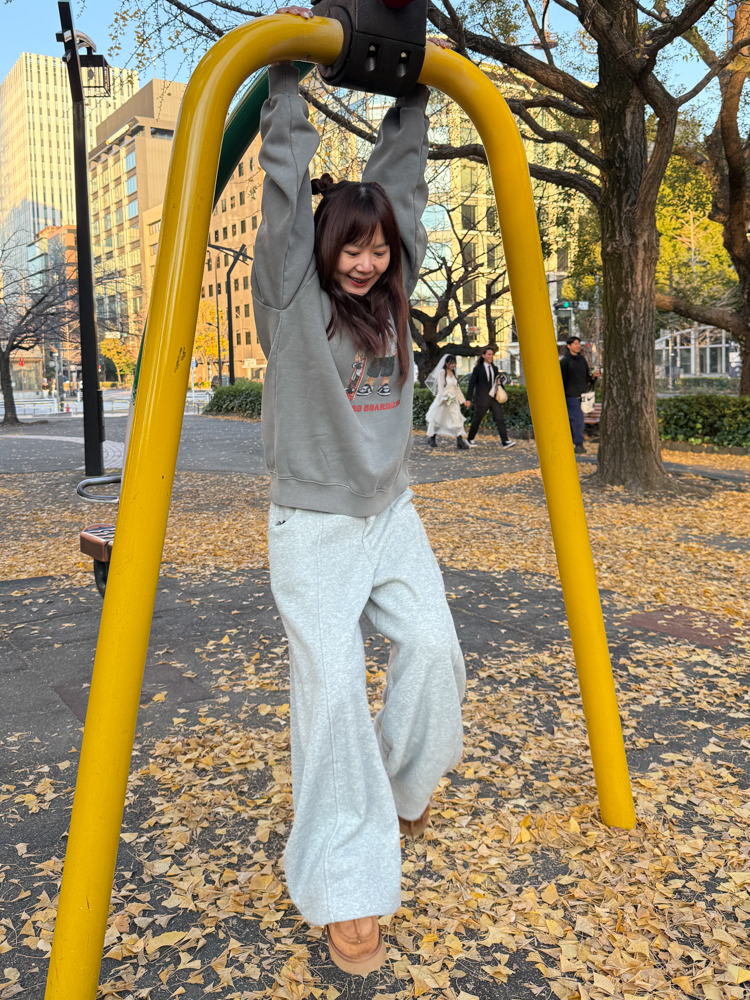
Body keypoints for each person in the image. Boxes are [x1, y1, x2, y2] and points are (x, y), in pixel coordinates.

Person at [251, 10, 465, 977]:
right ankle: (347, 882)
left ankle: (394, 790)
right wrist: (285, 86)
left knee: (434, 653)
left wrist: (411, 96)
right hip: (314, 524)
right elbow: (285, 194)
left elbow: (403, 189)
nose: (366, 259)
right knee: (333, 693)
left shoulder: (394, 297)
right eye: (351, 247)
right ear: (324, 247)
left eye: (377, 248)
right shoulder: (293, 298)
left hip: (391, 512)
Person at [465, 346, 515, 449]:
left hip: (493, 398)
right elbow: (471, 384)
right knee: (477, 419)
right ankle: (470, 439)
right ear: (483, 356)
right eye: (489, 354)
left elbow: (498, 382)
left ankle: (505, 441)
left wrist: (500, 385)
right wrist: (468, 399)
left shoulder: (494, 368)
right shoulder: (477, 369)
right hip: (482, 399)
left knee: (499, 418)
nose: (491, 356)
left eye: (492, 354)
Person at [560, 335, 598, 454]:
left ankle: (572, 441)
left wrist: (593, 377)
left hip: (582, 395)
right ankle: (579, 444)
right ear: (569, 346)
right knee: (578, 419)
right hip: (570, 395)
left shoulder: (582, 360)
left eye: (579, 344)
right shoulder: (565, 362)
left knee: (574, 420)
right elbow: (560, 379)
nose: (578, 346)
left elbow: (587, 377)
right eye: (575, 344)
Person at [425, 353, 471, 449]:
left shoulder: (454, 373)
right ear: (446, 363)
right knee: (438, 418)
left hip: (453, 400)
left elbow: (457, 388)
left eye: (454, 363)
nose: (453, 365)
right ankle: (432, 437)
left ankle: (459, 441)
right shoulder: (442, 372)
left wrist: (463, 400)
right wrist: (442, 398)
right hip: (444, 399)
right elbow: (440, 387)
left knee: (457, 419)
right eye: (451, 363)